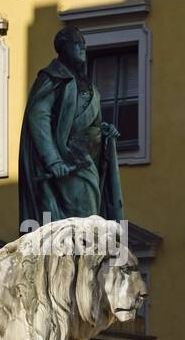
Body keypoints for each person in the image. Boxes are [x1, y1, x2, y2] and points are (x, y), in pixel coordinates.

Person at [19, 25, 124, 230]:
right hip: (66, 163)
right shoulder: (52, 79)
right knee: (82, 222)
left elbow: (91, 123)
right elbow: (38, 116)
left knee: (91, 217)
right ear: (63, 48)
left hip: (85, 161)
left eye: (83, 43)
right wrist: (53, 160)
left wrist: (105, 132)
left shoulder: (88, 86)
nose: (82, 47)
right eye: (77, 43)